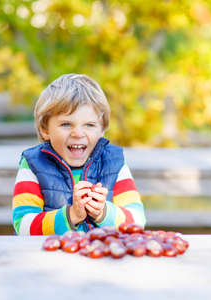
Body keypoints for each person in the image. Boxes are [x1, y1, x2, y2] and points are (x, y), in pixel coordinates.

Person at [12, 73, 146, 235]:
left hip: (101, 257)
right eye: (66, 124)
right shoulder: (33, 163)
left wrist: (103, 212)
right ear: (45, 129)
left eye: (89, 125)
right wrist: (71, 215)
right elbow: (23, 227)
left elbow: (137, 221)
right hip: (50, 257)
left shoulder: (114, 162)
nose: (78, 133)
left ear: (102, 129)